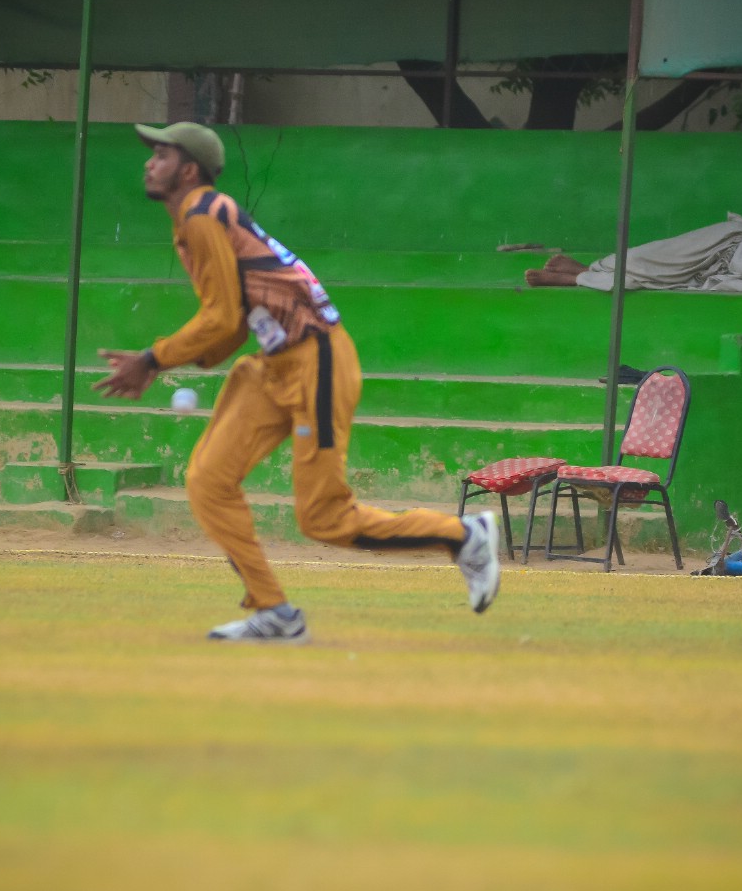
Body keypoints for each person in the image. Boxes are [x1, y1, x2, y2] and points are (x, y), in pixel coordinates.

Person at [93, 122, 502, 644]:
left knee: (324, 518)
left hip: (318, 360)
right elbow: (230, 323)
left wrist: (152, 359)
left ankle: (463, 535)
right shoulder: (196, 220)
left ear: (189, 170)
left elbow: (220, 319)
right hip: (275, 365)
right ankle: (275, 613)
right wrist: (176, 359)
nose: (150, 162)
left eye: (162, 154)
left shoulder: (202, 213)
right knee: (208, 482)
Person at [523, 213, 742, 293]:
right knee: (651, 256)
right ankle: (592, 268)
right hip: (729, 241)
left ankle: (577, 277)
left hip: (727, 273)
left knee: (655, 281)